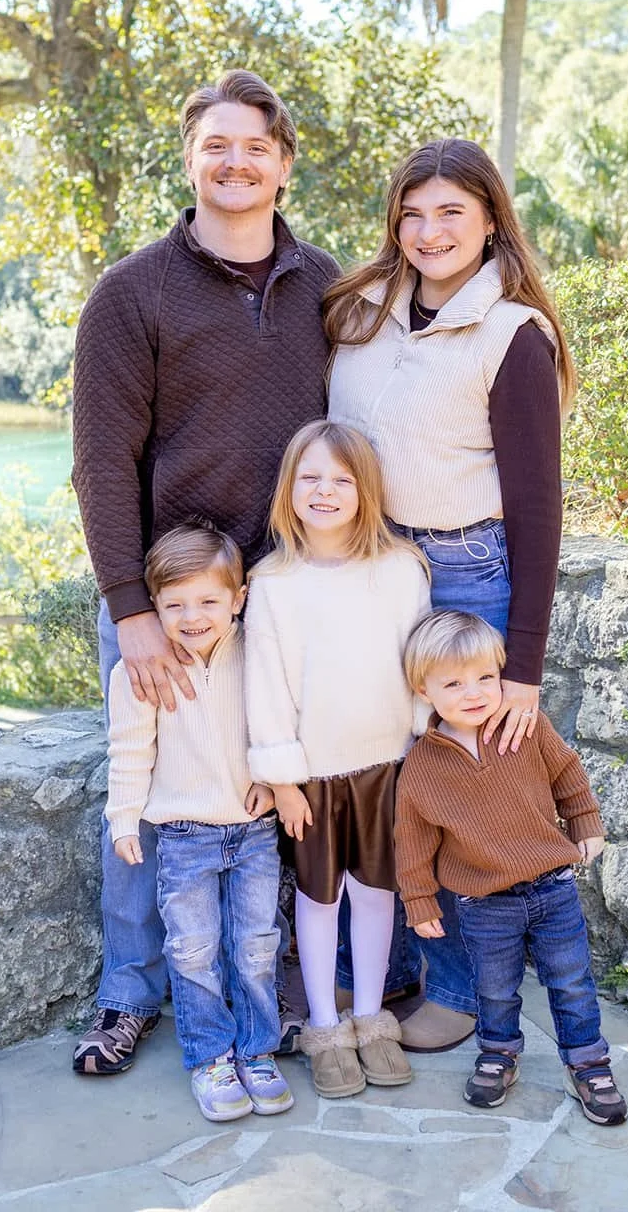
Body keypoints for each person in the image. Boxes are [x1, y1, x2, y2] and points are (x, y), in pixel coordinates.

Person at [72, 69, 340, 1076]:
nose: (235, 161)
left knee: (268, 791)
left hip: (276, 602)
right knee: (147, 801)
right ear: (189, 158)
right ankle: (128, 996)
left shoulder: (325, 284)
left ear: (282, 161)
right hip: (170, 603)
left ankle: (262, 995)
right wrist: (130, 609)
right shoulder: (131, 292)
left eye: (254, 146)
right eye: (215, 145)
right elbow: (100, 462)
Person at [326, 137, 576, 1052]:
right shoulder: (357, 309)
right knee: (369, 771)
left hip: (465, 574)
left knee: (457, 786)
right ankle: (379, 970)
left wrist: (523, 666)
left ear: (489, 223)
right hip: (365, 565)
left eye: (452, 214)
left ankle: (462, 990)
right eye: (413, 212)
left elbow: (538, 506)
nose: (429, 231)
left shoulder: (513, 335)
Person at [244, 420, 432, 1099]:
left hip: (386, 766)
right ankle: (325, 1028)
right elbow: (263, 684)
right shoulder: (272, 582)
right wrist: (282, 779)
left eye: (341, 481)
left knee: (377, 896)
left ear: (365, 491)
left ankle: (368, 1017)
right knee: (319, 902)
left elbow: (418, 662)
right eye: (310, 478)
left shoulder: (400, 569)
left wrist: (417, 744)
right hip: (313, 779)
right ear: (289, 489)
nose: (324, 492)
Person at [396, 611, 626, 1124]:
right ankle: (498, 1053)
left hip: (552, 888)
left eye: (485, 677)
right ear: (423, 689)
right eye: (453, 683)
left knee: (570, 981)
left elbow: (566, 770)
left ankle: (588, 1061)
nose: (474, 692)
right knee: (495, 987)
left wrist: (585, 821)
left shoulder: (524, 727)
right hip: (483, 903)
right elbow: (411, 840)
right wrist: (418, 901)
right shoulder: (423, 767)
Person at [106, 521, 293, 1122]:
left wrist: (275, 776)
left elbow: (281, 722)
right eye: (175, 603)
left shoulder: (258, 654)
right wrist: (124, 820)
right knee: (193, 950)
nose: (194, 615)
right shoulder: (141, 673)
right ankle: (211, 1056)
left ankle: (258, 1050)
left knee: (258, 945)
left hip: (255, 828)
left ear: (237, 600)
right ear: (152, 607)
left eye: (210, 600)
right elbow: (130, 751)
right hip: (184, 836)